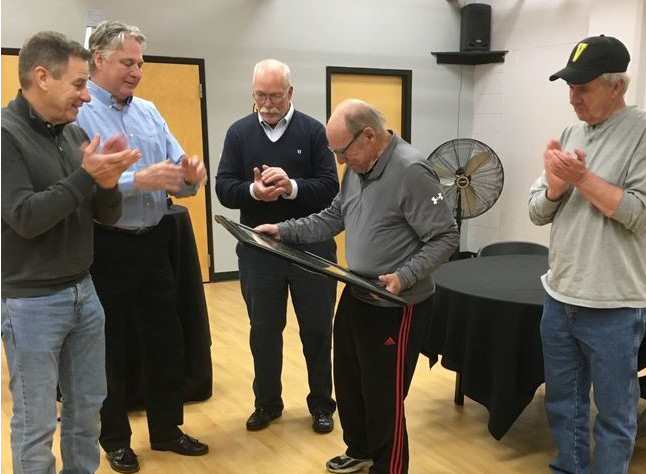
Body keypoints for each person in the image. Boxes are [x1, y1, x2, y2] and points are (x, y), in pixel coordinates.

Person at [256, 99, 459, 474]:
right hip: (356, 290)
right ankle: (361, 449)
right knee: (349, 382)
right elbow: (334, 216)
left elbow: (446, 237)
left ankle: (389, 466)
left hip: (396, 303)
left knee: (384, 397)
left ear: (368, 135)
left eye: (342, 152)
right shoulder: (358, 168)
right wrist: (284, 231)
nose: (340, 161)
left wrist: (405, 275)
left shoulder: (412, 170)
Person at [529, 35, 646, 474]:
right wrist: (556, 185)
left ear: (617, 86)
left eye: (584, 88)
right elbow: (537, 212)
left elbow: (640, 213)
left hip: (613, 304)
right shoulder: (572, 132)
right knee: (563, 404)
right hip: (561, 296)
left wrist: (582, 179)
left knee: (614, 415)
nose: (573, 97)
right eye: (569, 87)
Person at [1, 31, 140, 474]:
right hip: (30, 303)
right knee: (37, 422)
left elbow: (107, 215)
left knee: (86, 415)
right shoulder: (5, 135)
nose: (86, 95)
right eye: (79, 84)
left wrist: (108, 181)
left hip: (84, 292)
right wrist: (86, 177)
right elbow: (25, 216)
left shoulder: (72, 132)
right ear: (42, 76)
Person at [76, 20, 208, 473]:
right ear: (99, 59)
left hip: (154, 244)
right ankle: (115, 439)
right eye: (127, 62)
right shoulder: (79, 111)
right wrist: (137, 180)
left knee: (165, 341)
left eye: (140, 63)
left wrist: (190, 172)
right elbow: (84, 186)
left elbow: (178, 167)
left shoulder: (149, 112)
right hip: (106, 247)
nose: (136, 71)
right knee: (109, 347)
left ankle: (167, 431)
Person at [215, 58, 340, 434]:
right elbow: (223, 188)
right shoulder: (239, 133)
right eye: (259, 96)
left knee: (317, 330)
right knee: (264, 331)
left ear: (290, 93)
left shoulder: (314, 132)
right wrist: (254, 191)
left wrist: (292, 186)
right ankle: (267, 403)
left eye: (274, 96)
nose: (266, 104)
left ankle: (321, 404)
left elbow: (330, 188)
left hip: (312, 248)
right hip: (259, 250)